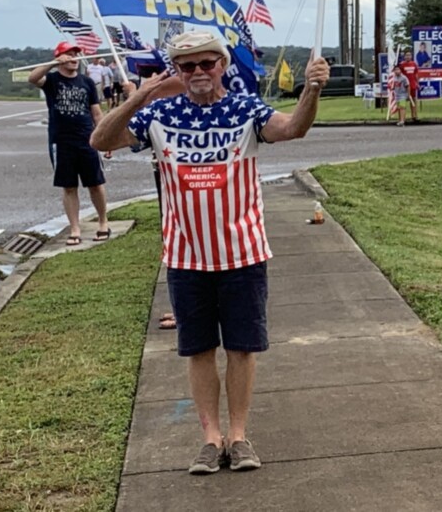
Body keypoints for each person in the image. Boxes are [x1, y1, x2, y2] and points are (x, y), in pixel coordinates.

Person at [90, 31, 330, 476]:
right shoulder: (158, 114)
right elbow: (101, 141)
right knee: (198, 349)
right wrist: (138, 97)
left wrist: (312, 89)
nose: (198, 73)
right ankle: (209, 439)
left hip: (242, 253)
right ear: (176, 71)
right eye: (187, 66)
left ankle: (238, 438)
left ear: (222, 64)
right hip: (185, 257)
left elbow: (292, 128)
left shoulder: (245, 109)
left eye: (207, 64)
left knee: (241, 348)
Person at [28, 41, 110, 246]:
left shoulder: (87, 82)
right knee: (69, 186)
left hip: (87, 139)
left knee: (95, 184)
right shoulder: (52, 80)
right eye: (69, 54)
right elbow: (33, 78)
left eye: (76, 54)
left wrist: (106, 138)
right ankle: (75, 227)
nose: (74, 58)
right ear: (60, 57)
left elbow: (96, 113)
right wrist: (52, 63)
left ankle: (103, 221)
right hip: (60, 141)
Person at [399, 48, 419, 121]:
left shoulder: (414, 64)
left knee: (413, 101)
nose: (408, 56)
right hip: (404, 86)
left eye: (409, 55)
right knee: (403, 101)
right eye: (406, 55)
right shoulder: (402, 65)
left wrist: (417, 83)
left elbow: (416, 74)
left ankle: (414, 116)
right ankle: (402, 118)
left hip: (412, 85)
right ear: (404, 56)